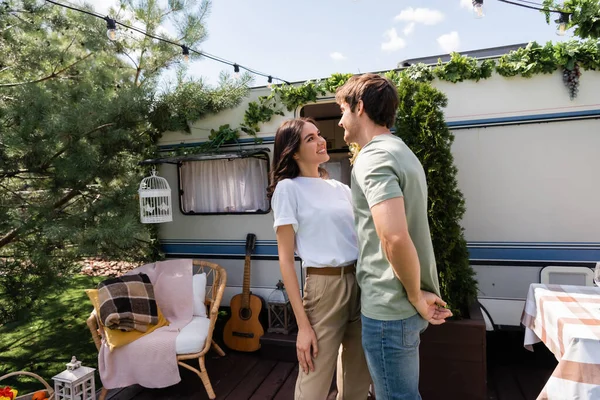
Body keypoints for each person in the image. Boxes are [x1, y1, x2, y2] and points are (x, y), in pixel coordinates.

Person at [335, 74, 453, 400]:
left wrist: (414, 295)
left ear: (360, 107)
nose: (341, 122)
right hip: (402, 306)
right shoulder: (400, 151)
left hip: (390, 307)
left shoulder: (372, 158)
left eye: (343, 111)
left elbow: (395, 238)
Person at [267, 117, 372, 400]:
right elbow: (286, 261)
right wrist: (302, 326)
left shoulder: (340, 188)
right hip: (324, 288)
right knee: (314, 378)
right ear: (293, 151)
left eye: (319, 134)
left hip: (359, 281)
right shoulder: (288, 189)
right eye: (310, 139)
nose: (320, 140)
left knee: (357, 375)